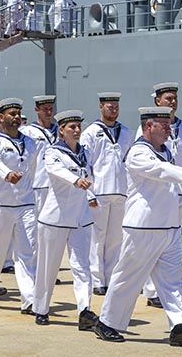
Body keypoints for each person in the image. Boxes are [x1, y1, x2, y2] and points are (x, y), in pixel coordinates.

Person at [92, 106, 182, 346]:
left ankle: (180, 326)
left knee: (172, 283)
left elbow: (169, 174)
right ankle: (106, 322)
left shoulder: (165, 150)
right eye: (164, 124)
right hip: (143, 229)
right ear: (149, 126)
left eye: (169, 124)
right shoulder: (138, 152)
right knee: (127, 277)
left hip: (168, 227)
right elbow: (161, 171)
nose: (169, 129)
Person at [33, 110, 99, 329]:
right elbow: (55, 170)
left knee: (82, 266)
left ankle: (85, 310)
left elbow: (90, 176)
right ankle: (41, 308)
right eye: (72, 127)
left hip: (80, 217)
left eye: (78, 126)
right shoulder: (53, 152)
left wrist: (91, 195)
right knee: (48, 267)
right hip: (56, 218)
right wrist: (75, 180)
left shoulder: (85, 152)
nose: (77, 130)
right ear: (61, 130)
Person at [0, 98, 38, 313]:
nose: (16, 117)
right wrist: (7, 174)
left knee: (27, 252)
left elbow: (33, 168)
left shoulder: (29, 142)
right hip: (0, 205)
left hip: (25, 204)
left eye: (18, 113)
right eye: (12, 114)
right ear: (0, 117)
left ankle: (29, 299)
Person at [141, 82, 182, 307]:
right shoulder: (148, 127)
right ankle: (152, 291)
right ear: (157, 102)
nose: (172, 102)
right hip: (156, 197)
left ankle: (170, 291)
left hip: (178, 196)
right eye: (168, 99)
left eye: (174, 98)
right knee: (153, 244)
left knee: (172, 247)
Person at [80, 92, 131, 297]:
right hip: (99, 192)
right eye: (110, 106)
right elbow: (84, 164)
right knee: (97, 238)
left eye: (116, 106)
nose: (114, 109)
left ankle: (111, 277)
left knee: (115, 239)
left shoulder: (125, 132)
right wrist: (89, 193)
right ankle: (97, 279)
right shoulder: (91, 133)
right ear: (101, 107)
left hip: (120, 191)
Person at [19, 95, 58, 217]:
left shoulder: (59, 131)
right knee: (36, 220)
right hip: (38, 183)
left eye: (51, 108)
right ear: (37, 109)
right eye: (45, 109)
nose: (49, 112)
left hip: (56, 184)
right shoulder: (28, 132)